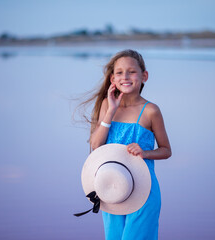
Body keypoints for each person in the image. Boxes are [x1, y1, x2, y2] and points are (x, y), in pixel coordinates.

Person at [84, 49, 171, 240]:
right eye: (119, 72)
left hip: (143, 190)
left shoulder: (151, 111)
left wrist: (145, 153)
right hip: (112, 190)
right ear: (112, 79)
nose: (126, 76)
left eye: (131, 71)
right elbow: (96, 145)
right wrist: (110, 112)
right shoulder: (107, 105)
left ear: (144, 76)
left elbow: (166, 150)